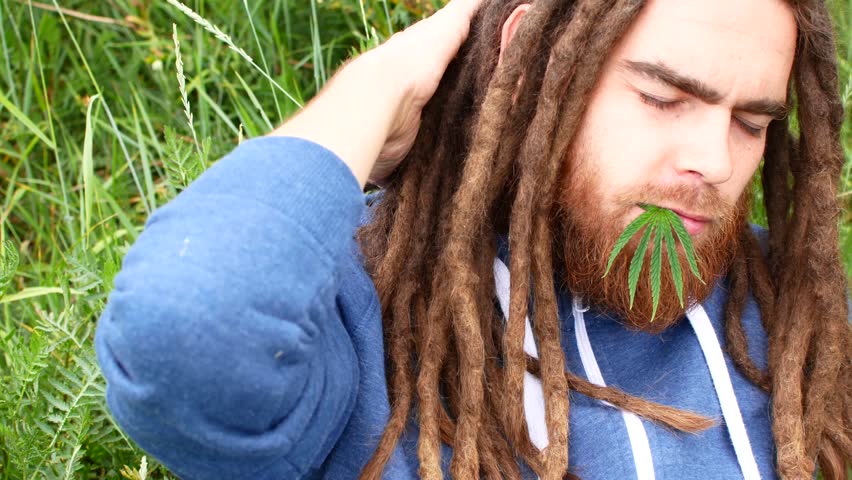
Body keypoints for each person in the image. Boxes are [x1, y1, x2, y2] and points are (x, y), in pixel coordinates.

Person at [94, 0, 851, 478]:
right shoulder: (362, 317)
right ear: (531, 65)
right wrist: (376, 88)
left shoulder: (797, 315)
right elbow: (182, 337)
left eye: (752, 123)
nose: (716, 164)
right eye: (663, 97)